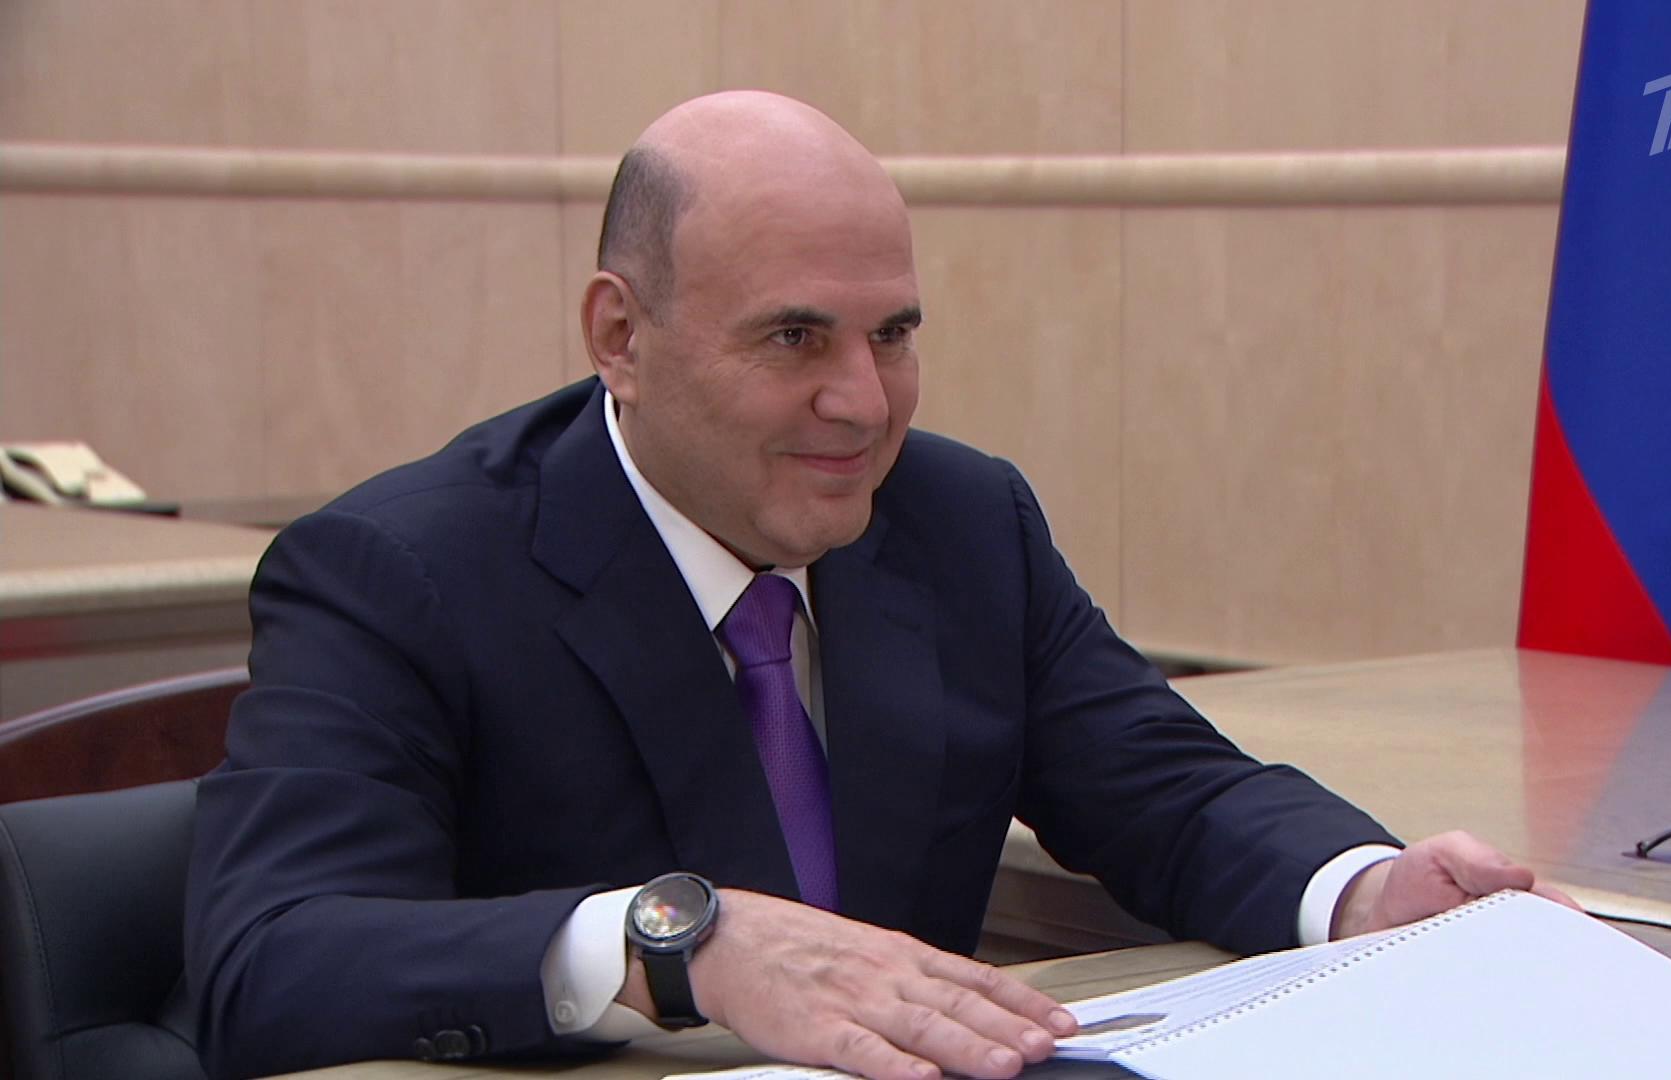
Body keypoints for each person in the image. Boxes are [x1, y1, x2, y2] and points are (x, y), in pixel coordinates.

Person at [185, 91, 1571, 1080]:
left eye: (892, 334)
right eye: (795, 337)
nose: (863, 402)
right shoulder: (401, 572)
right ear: (620, 335)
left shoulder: (959, 519)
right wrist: (676, 947)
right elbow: (271, 960)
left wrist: (1366, 891)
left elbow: (1169, 790)